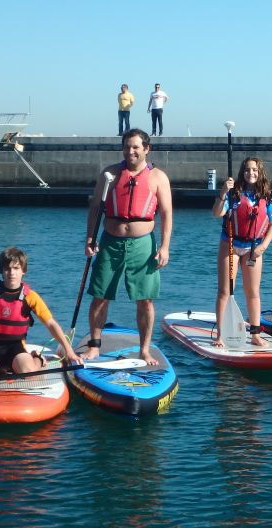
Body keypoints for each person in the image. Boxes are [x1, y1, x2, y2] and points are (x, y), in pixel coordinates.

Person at [81, 128, 173, 366]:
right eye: (126, 147)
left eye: (135, 147)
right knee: (100, 295)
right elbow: (95, 208)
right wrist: (90, 238)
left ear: (146, 149)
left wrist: (164, 247)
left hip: (143, 244)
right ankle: (94, 346)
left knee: (145, 299)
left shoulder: (158, 177)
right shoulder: (110, 174)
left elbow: (166, 213)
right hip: (110, 242)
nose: (130, 151)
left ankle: (144, 350)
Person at [0, 247, 82, 379]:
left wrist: (69, 351)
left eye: (16, 268)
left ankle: (37, 359)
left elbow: (51, 324)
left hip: (15, 348)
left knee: (29, 373)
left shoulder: (30, 296)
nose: (11, 273)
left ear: (23, 270)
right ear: (1, 271)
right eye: (7, 268)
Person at [212, 157, 272, 347]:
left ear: (260, 172)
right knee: (225, 291)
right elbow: (217, 213)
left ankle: (255, 334)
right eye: (247, 170)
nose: (251, 173)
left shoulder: (266, 196)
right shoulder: (233, 194)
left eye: (255, 170)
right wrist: (223, 192)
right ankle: (220, 335)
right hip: (231, 245)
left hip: (254, 248)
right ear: (243, 172)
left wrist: (264, 246)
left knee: (253, 292)